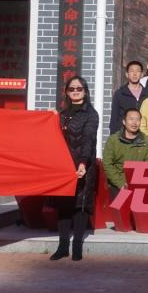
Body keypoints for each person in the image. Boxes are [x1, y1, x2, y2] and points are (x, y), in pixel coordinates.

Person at [50, 76, 99, 262]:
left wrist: (83, 162)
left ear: (85, 91)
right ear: (67, 92)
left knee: (80, 205)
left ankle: (77, 246)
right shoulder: (62, 114)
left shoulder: (91, 114)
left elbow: (88, 139)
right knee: (64, 205)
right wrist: (49, 119)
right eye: (72, 89)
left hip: (83, 165)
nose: (75, 91)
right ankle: (62, 246)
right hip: (64, 166)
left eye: (79, 88)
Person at [102, 108, 148, 199]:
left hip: (139, 184)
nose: (134, 123)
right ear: (124, 121)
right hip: (117, 184)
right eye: (131, 119)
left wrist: (137, 183)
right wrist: (120, 183)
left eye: (137, 120)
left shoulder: (147, 141)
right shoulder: (113, 140)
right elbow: (107, 163)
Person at [109, 60, 144, 134]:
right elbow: (114, 117)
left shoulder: (147, 93)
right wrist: (113, 136)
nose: (135, 74)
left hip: (143, 134)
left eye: (137, 71)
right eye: (132, 71)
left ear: (142, 74)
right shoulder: (120, 93)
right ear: (127, 74)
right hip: (124, 134)